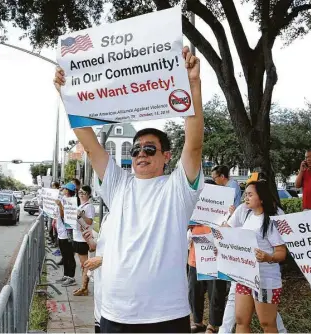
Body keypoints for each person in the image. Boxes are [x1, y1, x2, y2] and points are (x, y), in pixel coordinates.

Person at [53, 46, 204, 333]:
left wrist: (193, 85)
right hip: (115, 313)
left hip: (166, 316)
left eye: (149, 149)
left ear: (166, 155)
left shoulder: (178, 189)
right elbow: (90, 145)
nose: (140, 155)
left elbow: (194, 144)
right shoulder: (117, 184)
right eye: (135, 150)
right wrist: (66, 95)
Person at [224, 180, 287, 333]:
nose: (246, 197)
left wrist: (268, 257)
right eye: (245, 194)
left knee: (267, 323)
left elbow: (281, 253)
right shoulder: (247, 215)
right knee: (240, 320)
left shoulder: (271, 220)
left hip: (265, 279)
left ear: (262, 198)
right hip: (245, 277)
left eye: (250, 194)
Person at [188, 180, 227, 333]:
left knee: (215, 293)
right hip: (195, 258)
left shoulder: (224, 210)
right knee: (194, 292)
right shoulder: (193, 208)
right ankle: (197, 322)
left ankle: (213, 324)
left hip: (215, 260)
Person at [82, 212, 110, 333]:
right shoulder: (108, 216)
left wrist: (103, 260)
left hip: (117, 298)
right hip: (101, 287)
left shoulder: (132, 216)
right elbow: (103, 246)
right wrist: (91, 242)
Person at [72, 185, 95, 296]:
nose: (81, 194)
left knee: (85, 264)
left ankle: (84, 288)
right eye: (80, 192)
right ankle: (83, 286)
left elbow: (89, 222)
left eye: (84, 193)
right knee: (83, 264)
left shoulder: (89, 206)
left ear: (89, 195)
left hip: (83, 239)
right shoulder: (80, 205)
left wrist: (81, 216)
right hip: (77, 237)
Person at [54, 182, 77, 287]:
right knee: (64, 255)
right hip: (61, 232)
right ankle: (66, 275)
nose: (62, 190)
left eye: (64, 189)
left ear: (68, 191)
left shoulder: (71, 202)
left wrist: (60, 206)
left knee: (69, 256)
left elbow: (64, 217)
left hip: (67, 233)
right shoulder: (63, 199)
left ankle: (71, 277)